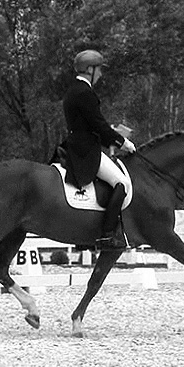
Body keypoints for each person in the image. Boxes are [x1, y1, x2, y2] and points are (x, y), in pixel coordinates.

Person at [62, 49, 136, 250]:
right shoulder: (85, 93)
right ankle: (107, 235)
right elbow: (98, 125)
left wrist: (109, 133)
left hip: (75, 144)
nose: (101, 74)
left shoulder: (73, 90)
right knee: (122, 183)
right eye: (99, 69)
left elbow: (90, 124)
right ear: (89, 69)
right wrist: (123, 142)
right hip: (86, 150)